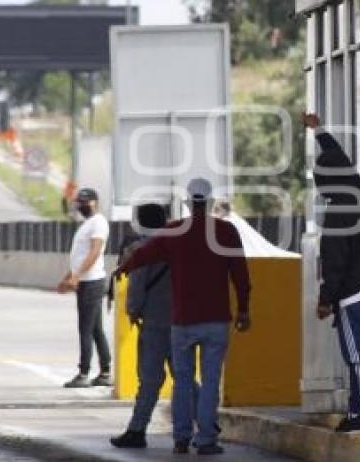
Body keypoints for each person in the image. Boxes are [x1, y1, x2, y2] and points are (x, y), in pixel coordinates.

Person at [117, 178, 251, 455]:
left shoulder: (174, 231)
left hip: (182, 321)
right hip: (216, 319)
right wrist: (244, 309)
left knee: (183, 379)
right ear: (211, 202)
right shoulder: (226, 231)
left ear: (188, 203)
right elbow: (240, 274)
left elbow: (143, 254)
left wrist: (124, 267)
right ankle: (206, 441)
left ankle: (180, 439)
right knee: (211, 381)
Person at [304, 113, 360, 435]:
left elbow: (334, 264)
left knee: (356, 354)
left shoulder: (338, 212)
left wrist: (326, 301)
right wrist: (319, 130)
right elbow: (340, 160)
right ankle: (359, 408)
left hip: (351, 291)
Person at [110, 203, 172, 449]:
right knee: (185, 375)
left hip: (154, 321)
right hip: (179, 320)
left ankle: (137, 430)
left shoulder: (141, 248)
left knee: (149, 378)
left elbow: (136, 287)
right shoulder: (177, 247)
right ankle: (207, 425)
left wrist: (133, 312)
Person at [58, 188, 112, 388]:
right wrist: (68, 278)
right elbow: (78, 255)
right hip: (85, 280)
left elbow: (95, 251)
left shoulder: (98, 222)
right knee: (96, 328)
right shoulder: (87, 224)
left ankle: (83, 373)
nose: (80, 205)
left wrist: (78, 276)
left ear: (94, 202)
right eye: (78, 202)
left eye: (84, 202)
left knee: (86, 329)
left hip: (91, 281)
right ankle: (105, 371)